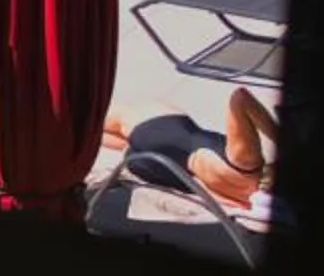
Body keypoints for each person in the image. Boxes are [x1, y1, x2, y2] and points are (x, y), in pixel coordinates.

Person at [103, 88, 278, 218]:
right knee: (95, 135)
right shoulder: (244, 203)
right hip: (155, 167)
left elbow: (240, 97)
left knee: (96, 111)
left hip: (164, 132)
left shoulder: (246, 163)